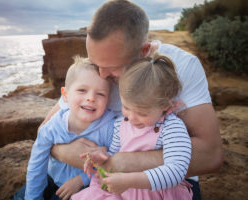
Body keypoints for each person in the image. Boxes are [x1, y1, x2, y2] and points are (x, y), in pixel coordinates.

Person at [39, 0, 223, 199]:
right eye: (95, 63)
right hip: (91, 176)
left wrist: (120, 162)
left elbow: (210, 155)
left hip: (161, 185)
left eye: (112, 67)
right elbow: (44, 131)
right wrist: (62, 152)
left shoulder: (182, 67)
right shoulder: (101, 66)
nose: (100, 75)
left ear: (144, 51)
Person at [72, 52, 193, 200]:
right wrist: (103, 159)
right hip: (123, 192)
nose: (132, 118)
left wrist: (129, 181)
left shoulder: (171, 127)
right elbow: (114, 157)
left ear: (165, 105)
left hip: (156, 193)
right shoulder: (121, 124)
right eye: (126, 107)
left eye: (142, 113)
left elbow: (175, 172)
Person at [19, 56, 116, 200]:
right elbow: (37, 164)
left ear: (108, 101)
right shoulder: (53, 126)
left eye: (100, 94)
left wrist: (81, 180)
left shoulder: (110, 128)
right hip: (50, 178)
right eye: (82, 90)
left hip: (85, 187)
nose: (91, 98)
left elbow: (113, 166)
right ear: (65, 95)